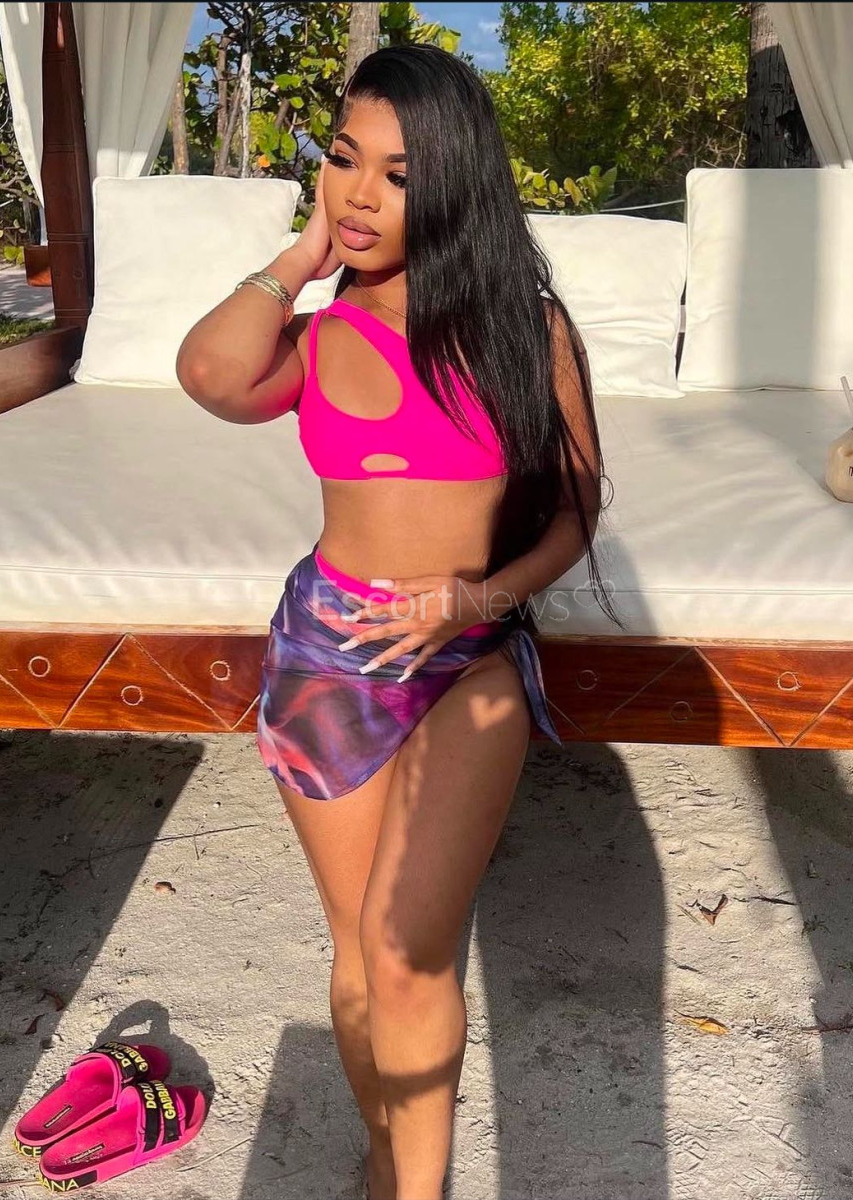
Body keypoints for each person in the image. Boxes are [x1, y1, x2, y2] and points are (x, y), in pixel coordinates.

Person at [176, 43, 622, 1200]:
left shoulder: (527, 329)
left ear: (454, 184)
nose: (360, 192)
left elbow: (576, 512)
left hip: (466, 650)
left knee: (405, 952)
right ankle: (384, 1155)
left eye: (399, 173)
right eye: (342, 160)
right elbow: (210, 375)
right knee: (356, 956)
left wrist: (482, 598)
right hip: (326, 655)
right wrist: (301, 255)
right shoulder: (317, 336)